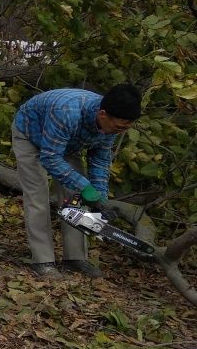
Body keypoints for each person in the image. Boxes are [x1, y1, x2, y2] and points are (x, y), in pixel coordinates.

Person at [11, 84, 142, 279]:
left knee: (76, 196)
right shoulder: (67, 112)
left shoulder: (111, 126)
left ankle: (75, 258)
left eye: (126, 128)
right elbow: (50, 158)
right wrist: (85, 186)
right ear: (103, 114)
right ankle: (43, 260)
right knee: (37, 195)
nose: (120, 132)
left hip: (66, 144)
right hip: (30, 134)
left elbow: (99, 159)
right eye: (119, 127)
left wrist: (99, 197)